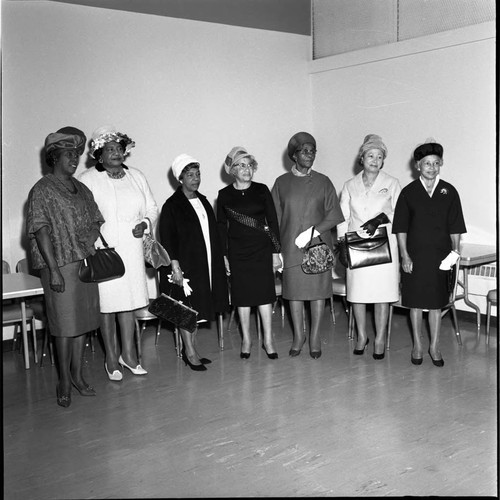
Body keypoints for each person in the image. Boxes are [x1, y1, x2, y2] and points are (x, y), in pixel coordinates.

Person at [26, 127, 104, 407]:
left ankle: (78, 375)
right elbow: (41, 230)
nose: (75, 159)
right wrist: (54, 270)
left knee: (81, 325)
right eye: (69, 154)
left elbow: (96, 219)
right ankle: (63, 381)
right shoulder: (42, 190)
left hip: (83, 266)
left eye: (77, 154)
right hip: (59, 268)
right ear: (54, 157)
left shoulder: (81, 189)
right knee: (63, 328)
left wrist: (91, 236)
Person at [79, 125, 159, 380]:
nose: (115, 153)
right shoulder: (87, 179)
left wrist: (145, 224)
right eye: (109, 149)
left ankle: (129, 355)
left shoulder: (137, 176)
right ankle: (111, 357)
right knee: (107, 305)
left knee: (128, 303)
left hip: (132, 249)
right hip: (103, 249)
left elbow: (152, 207)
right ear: (99, 155)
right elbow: (81, 216)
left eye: (119, 149)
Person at [392, 138, 466, 367]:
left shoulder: (449, 191)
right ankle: (417, 345)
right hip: (414, 257)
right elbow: (401, 228)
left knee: (435, 304)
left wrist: (454, 254)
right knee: (415, 303)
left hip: (440, 259)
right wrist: (404, 255)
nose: (432, 167)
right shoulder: (408, 192)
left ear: (440, 164)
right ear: (418, 166)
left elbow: (456, 227)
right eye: (427, 163)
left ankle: (434, 346)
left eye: (435, 163)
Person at [271, 132, 344, 359]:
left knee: (317, 294)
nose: (309, 154)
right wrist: (277, 250)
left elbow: (334, 215)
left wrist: (312, 232)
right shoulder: (282, 183)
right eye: (304, 150)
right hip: (290, 247)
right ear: (294, 155)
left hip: (318, 248)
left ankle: (314, 338)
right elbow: (274, 219)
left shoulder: (324, 182)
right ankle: (298, 337)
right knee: (294, 294)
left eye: (312, 150)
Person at [159, 154, 229, 371]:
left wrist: (222, 257)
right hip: (183, 266)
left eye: (198, 174)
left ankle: (192, 349)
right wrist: (175, 265)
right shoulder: (171, 205)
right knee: (184, 309)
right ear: (180, 178)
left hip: (205, 263)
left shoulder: (204, 200)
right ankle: (189, 352)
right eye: (190, 175)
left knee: (196, 309)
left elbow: (214, 233)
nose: (195, 178)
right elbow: (167, 237)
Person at [337, 134, 401, 359]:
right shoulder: (349, 185)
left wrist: (379, 219)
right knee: (358, 294)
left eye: (379, 156)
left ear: (383, 161)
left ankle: (380, 338)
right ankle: (362, 336)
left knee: (382, 293)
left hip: (385, 245)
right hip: (357, 245)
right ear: (361, 158)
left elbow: (400, 213)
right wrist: (342, 244)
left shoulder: (392, 183)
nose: (375, 160)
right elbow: (342, 217)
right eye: (370, 155)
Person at [217, 147, 282, 360]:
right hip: (238, 253)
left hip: (262, 251)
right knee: (242, 298)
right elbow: (221, 227)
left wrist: (275, 251)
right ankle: (246, 339)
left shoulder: (262, 190)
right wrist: (224, 255)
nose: (246, 169)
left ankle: (268, 340)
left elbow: (272, 222)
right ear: (232, 170)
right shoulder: (224, 195)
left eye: (249, 165)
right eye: (241, 165)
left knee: (265, 295)